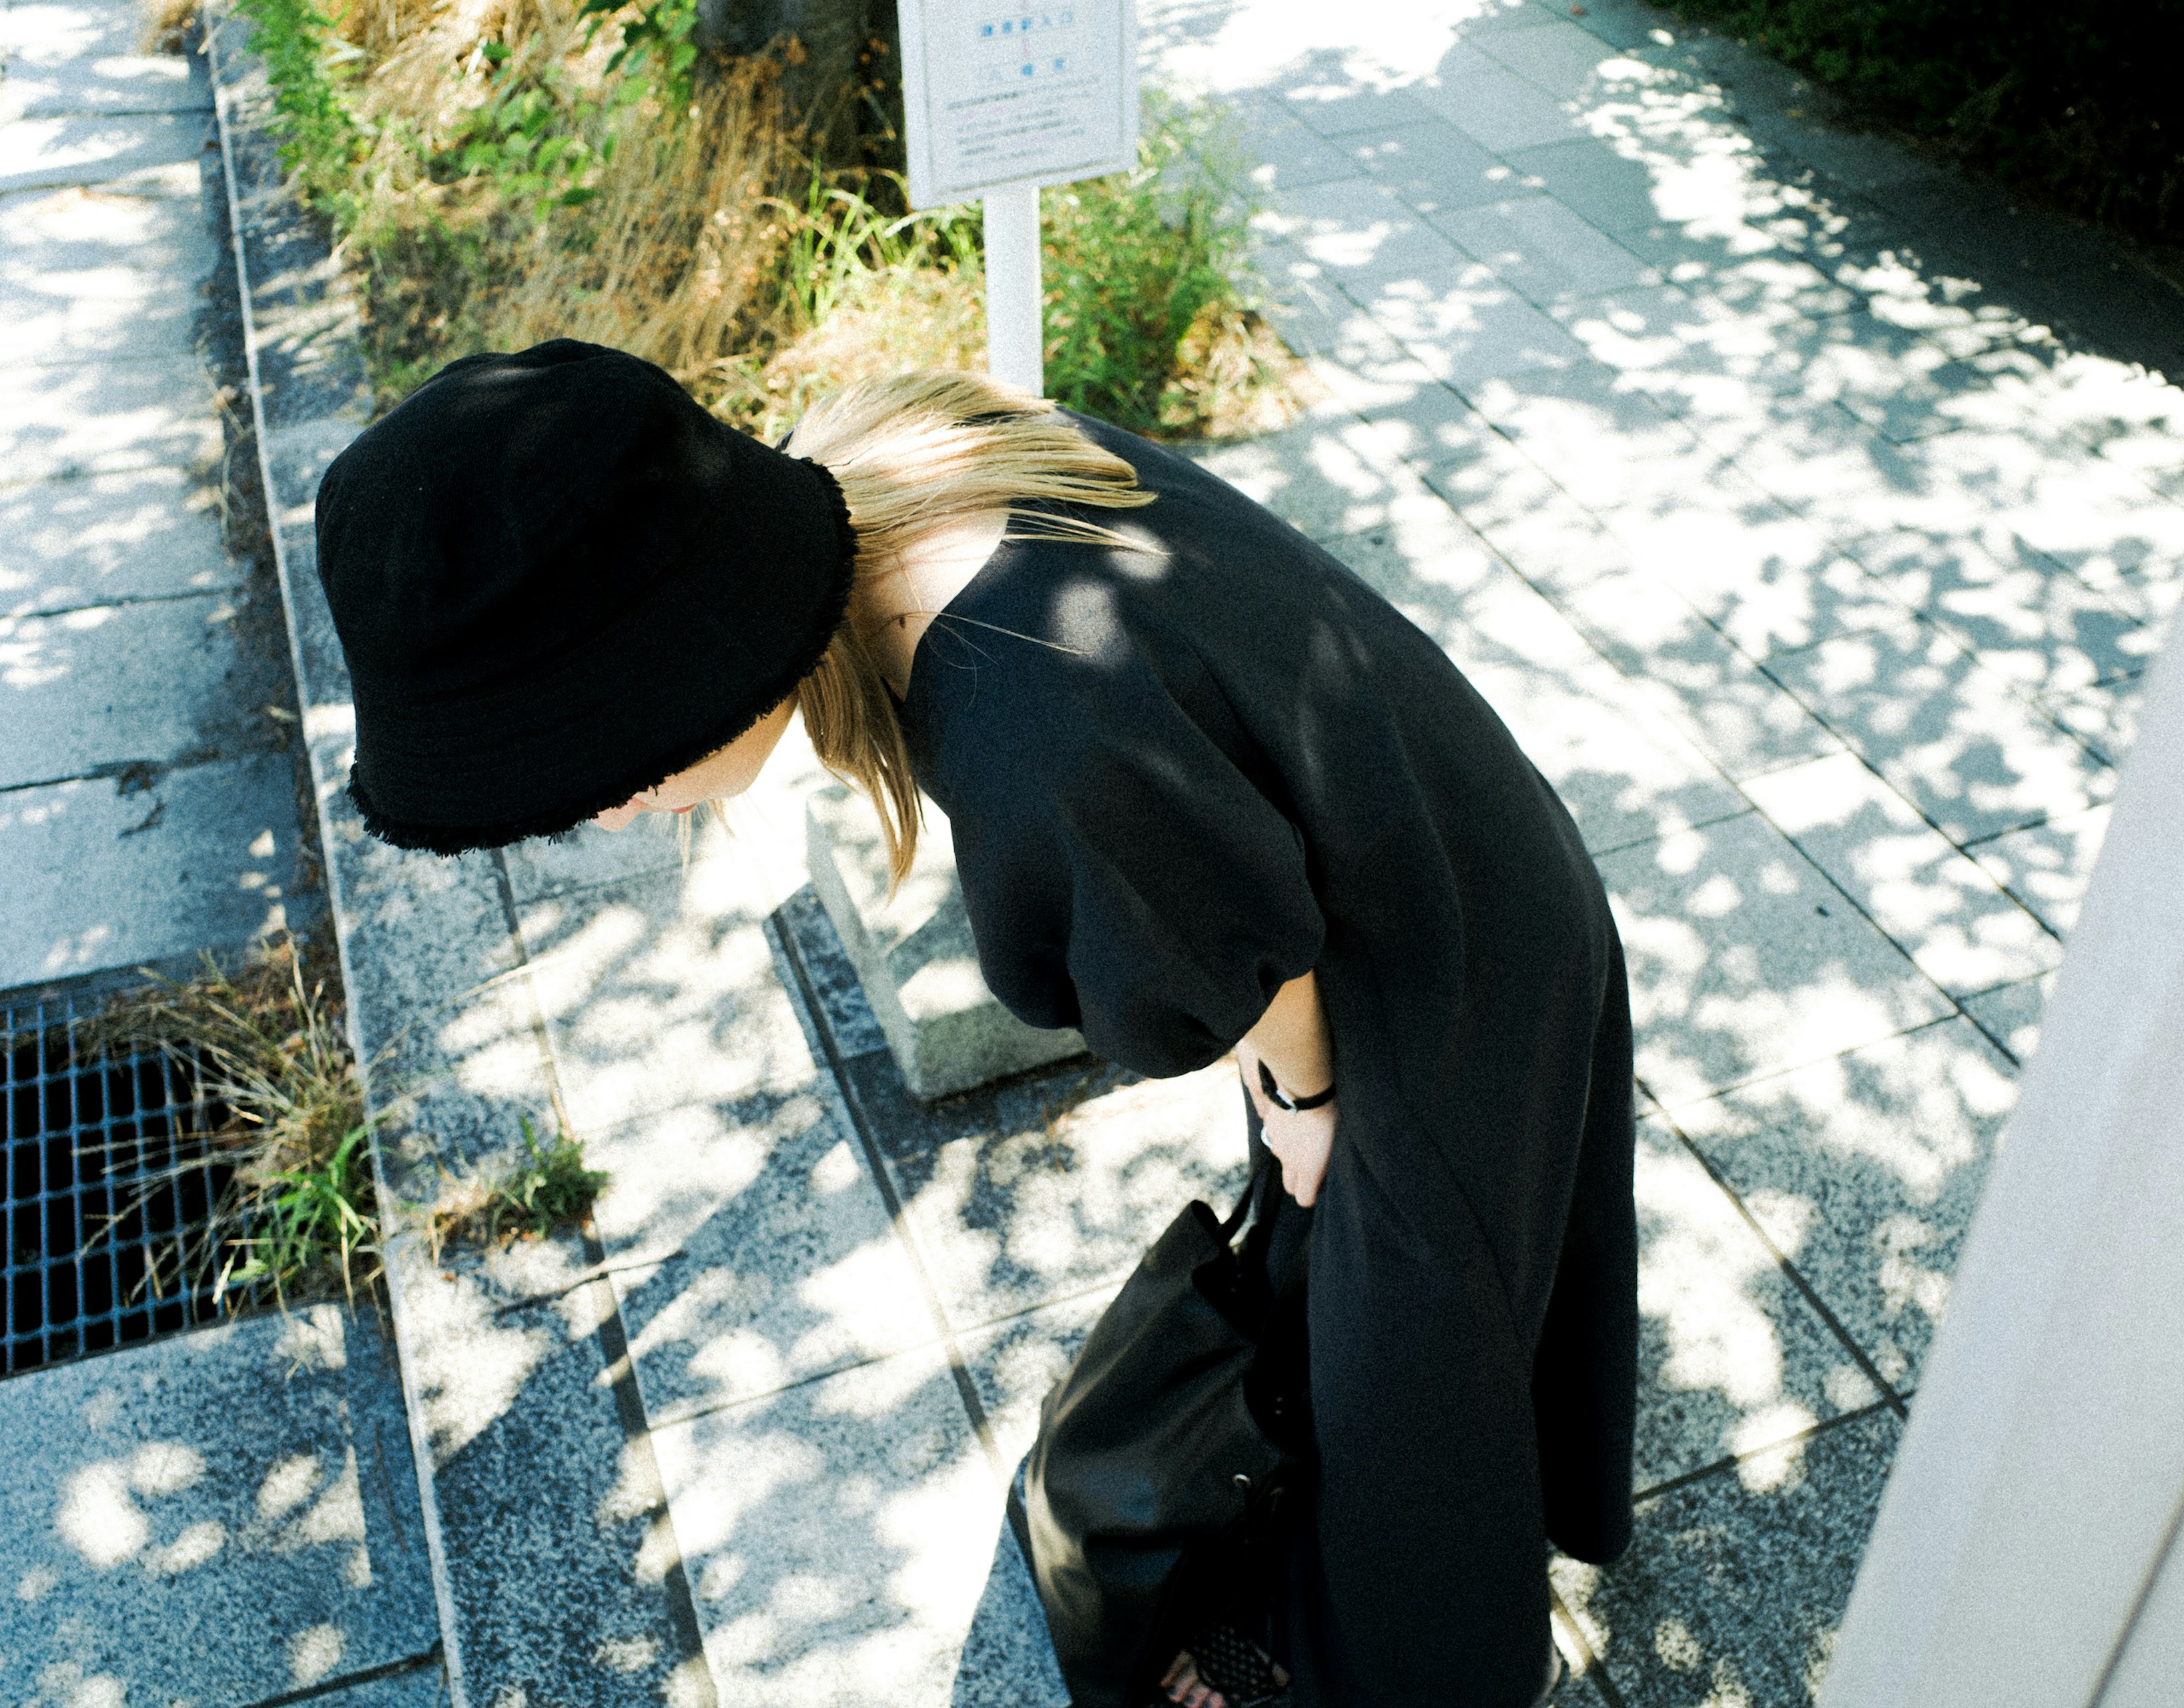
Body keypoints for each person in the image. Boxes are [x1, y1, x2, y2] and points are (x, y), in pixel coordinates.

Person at [313, 338, 1639, 1707]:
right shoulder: (883, 454)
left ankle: (1429, 1667)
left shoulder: (1035, 726)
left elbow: (1244, 959)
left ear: (674, 662)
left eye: (589, 757)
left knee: (1416, 1363)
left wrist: (1305, 1103)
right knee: (1376, 1287)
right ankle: (1374, 1559)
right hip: (1436, 835)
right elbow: (1221, 835)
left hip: (1446, 965)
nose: (601, 806)